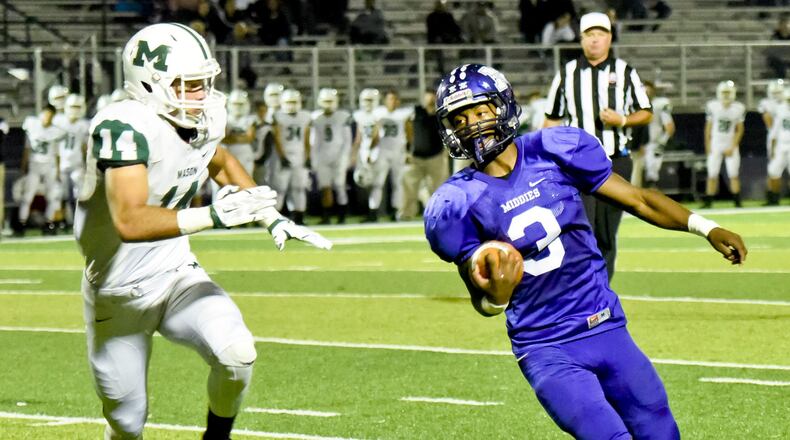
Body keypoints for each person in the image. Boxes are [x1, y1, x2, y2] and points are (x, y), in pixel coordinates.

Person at [425, 63, 747, 440]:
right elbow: (482, 302)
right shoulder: (455, 202)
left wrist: (704, 227)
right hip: (546, 345)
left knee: (661, 431)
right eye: (460, 119)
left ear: (503, 107)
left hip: (606, 325)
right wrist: (496, 296)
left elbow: (639, 200)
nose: (473, 125)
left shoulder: (552, 150)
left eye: (480, 111)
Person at [74, 23, 331, 440]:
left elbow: (221, 160)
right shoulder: (123, 126)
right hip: (117, 290)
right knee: (126, 423)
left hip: (176, 273)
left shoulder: (201, 115)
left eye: (203, 83)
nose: (202, 95)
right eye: (189, 85)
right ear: (149, 83)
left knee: (237, 354)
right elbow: (129, 220)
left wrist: (269, 216)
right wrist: (213, 216)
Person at [544, 12, 652, 280]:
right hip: (577, 164)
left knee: (606, 232)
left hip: (615, 160)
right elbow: (551, 118)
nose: (595, 41)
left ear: (610, 38)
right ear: (581, 39)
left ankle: (601, 289)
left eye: (600, 34)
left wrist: (623, 119)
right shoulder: (566, 74)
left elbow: (646, 111)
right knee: (582, 229)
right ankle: (582, 287)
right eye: (589, 35)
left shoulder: (625, 71)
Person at [401, 89, 448, 220]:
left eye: (432, 97)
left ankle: (440, 214)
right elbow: (406, 125)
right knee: (409, 187)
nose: (430, 100)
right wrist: (409, 147)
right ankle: (406, 214)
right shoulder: (416, 112)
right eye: (428, 97)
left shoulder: (441, 115)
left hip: (436, 156)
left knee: (438, 189)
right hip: (416, 156)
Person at [20, 104, 66, 235]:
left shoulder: (56, 131)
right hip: (34, 166)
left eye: (50, 115)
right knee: (27, 196)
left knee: (52, 196)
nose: (47, 118)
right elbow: (27, 149)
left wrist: (57, 169)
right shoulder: (32, 125)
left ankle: (49, 222)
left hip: (49, 166)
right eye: (46, 114)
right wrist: (23, 166)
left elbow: (57, 153)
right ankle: (22, 222)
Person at [310, 88, 353, 224]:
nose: (328, 104)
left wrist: (345, 157)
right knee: (325, 187)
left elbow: (347, 140)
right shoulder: (316, 117)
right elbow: (314, 141)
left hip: (338, 155)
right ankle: (326, 216)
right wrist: (314, 158)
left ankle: (342, 216)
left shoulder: (342, 116)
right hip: (323, 156)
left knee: (340, 186)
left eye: (330, 101)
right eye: (325, 101)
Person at [368, 89, 412, 222]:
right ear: (385, 101)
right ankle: (373, 211)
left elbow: (409, 134)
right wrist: (370, 151)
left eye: (394, 99)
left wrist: (409, 152)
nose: (392, 102)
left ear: (398, 101)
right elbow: (375, 134)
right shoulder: (379, 113)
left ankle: (395, 212)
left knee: (397, 183)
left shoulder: (403, 114)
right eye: (389, 99)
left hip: (398, 152)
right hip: (383, 151)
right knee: (378, 182)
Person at [271, 88, 312, 224]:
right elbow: (277, 138)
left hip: (299, 155)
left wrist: (308, 156)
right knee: (280, 188)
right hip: (283, 155)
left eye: (294, 102)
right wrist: (282, 156)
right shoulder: (278, 116)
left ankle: (298, 218)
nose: (291, 105)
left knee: (299, 188)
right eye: (288, 102)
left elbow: (306, 139)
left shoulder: (304, 116)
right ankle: (275, 219)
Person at [702, 80, 745, 209]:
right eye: (724, 92)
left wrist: (733, 146)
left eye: (728, 92)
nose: (726, 95)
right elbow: (708, 128)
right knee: (712, 173)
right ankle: (708, 201)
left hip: (730, 142)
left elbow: (740, 129)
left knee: (733, 174)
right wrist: (708, 145)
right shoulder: (712, 106)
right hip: (716, 143)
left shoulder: (738, 108)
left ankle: (737, 201)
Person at [56, 94, 90, 231]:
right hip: (61, 164)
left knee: (79, 194)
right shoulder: (58, 122)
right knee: (61, 194)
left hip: (77, 164)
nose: (75, 109)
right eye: (72, 106)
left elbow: (85, 147)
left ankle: (79, 221)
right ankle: (64, 220)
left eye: (77, 106)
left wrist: (87, 165)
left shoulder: (84, 125)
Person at [641, 81, 674, 188]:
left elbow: (669, 126)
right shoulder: (636, 104)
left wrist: (662, 142)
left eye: (648, 90)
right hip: (638, 144)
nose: (646, 93)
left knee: (651, 175)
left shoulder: (660, 104)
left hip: (653, 144)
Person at [760, 79, 785, 206]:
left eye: (778, 92)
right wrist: (775, 133)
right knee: (773, 169)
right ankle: (772, 197)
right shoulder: (766, 103)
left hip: (785, 137)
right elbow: (769, 122)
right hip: (775, 138)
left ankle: (773, 197)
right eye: (774, 93)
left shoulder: (786, 104)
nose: (776, 95)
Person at [765, 87, 790, 205]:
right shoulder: (780, 109)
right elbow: (775, 130)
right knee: (773, 172)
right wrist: (773, 147)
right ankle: (774, 199)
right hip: (781, 144)